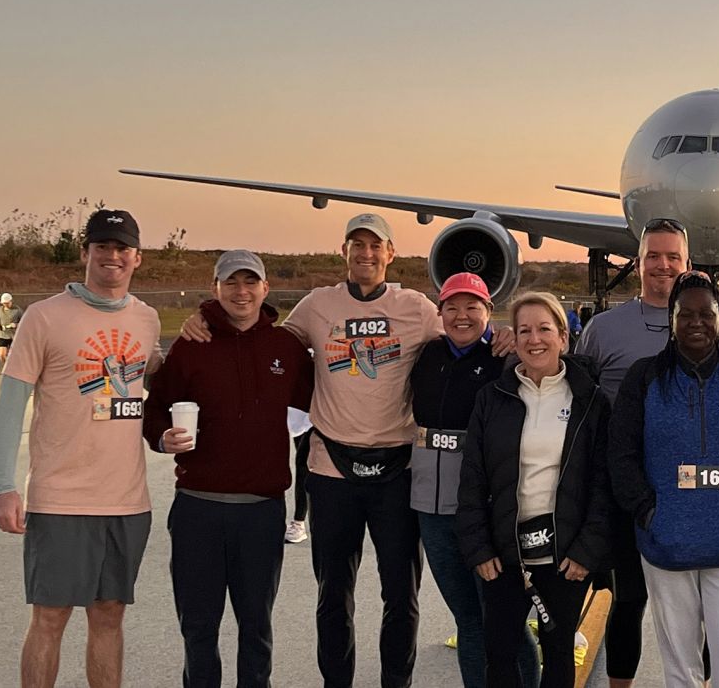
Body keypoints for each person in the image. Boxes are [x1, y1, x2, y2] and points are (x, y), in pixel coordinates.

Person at [178, 213, 515, 687]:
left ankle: (395, 681)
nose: (367, 254)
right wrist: (205, 316)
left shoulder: (416, 307)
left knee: (401, 594)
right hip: (332, 470)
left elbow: (464, 333)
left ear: (390, 253)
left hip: (396, 470)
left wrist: (500, 335)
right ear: (345, 252)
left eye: (376, 246)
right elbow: (261, 338)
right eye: (357, 245)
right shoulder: (317, 306)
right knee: (333, 593)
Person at [573, 218, 719, 688]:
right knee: (628, 602)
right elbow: (569, 384)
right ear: (638, 262)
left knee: (717, 629)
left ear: (689, 264)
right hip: (634, 492)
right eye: (654, 255)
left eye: (673, 256)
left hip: (708, 501)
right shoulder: (602, 329)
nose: (663, 265)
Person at [0, 209, 161, 688]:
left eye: (122, 247)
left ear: (137, 258)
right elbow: (10, 405)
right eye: (102, 246)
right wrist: (3, 486)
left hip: (127, 502)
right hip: (62, 499)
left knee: (109, 617)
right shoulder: (43, 317)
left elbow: (151, 388)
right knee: (50, 618)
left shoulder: (147, 319)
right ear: (85, 253)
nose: (112, 256)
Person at [142, 250, 314, 688]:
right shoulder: (191, 345)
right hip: (198, 509)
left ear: (265, 289)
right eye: (231, 283)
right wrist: (162, 438)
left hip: (260, 511)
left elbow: (327, 402)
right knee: (198, 628)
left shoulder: (286, 349)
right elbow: (156, 410)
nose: (242, 292)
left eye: (250, 282)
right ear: (215, 288)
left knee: (256, 627)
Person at [608, 271, 719, 688]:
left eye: (706, 315)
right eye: (685, 314)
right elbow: (622, 454)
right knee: (680, 659)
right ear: (671, 319)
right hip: (667, 541)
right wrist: (647, 511)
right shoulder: (644, 376)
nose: (696, 323)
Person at [458, 292, 613, 688]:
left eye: (545, 329)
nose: (534, 339)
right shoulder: (492, 399)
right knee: (501, 654)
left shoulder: (590, 401)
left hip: (563, 555)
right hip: (504, 554)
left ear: (564, 337)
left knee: (559, 654)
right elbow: (473, 478)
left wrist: (586, 552)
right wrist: (479, 548)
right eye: (524, 330)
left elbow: (602, 483)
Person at [408, 273, 541, 688]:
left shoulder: (505, 360)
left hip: (486, 514)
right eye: (452, 307)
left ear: (488, 312)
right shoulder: (426, 354)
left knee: (502, 618)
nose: (461, 316)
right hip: (433, 510)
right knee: (466, 618)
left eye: (472, 307)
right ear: (440, 312)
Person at [286, 408, 313, 543]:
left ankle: (299, 521)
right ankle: (299, 522)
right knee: (304, 463)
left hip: (318, 407)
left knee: (303, 463)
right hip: (298, 409)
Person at [0, 292, 22, 364]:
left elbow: (24, 322)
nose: (5, 305)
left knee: (14, 356)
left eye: (7, 303)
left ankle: (15, 369)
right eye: (4, 303)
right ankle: (6, 370)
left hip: (14, 336)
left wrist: (15, 325)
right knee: (2, 355)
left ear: (11, 301)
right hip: (3, 335)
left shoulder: (17, 310)